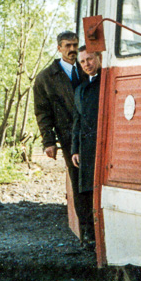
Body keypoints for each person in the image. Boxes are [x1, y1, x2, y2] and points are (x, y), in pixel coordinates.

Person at [34, 31, 86, 198]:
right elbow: (43, 113)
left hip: (91, 133)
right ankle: (84, 224)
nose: (72, 49)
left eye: (75, 45)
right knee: (78, 182)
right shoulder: (46, 78)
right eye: (68, 46)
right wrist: (49, 142)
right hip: (68, 136)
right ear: (59, 48)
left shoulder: (87, 69)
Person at [71, 46, 102, 246]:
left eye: (89, 59)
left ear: (98, 58)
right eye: (82, 62)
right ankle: (90, 233)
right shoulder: (81, 89)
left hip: (103, 145)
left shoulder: (106, 83)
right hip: (86, 148)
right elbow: (77, 121)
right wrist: (75, 149)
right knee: (87, 191)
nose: (86, 64)